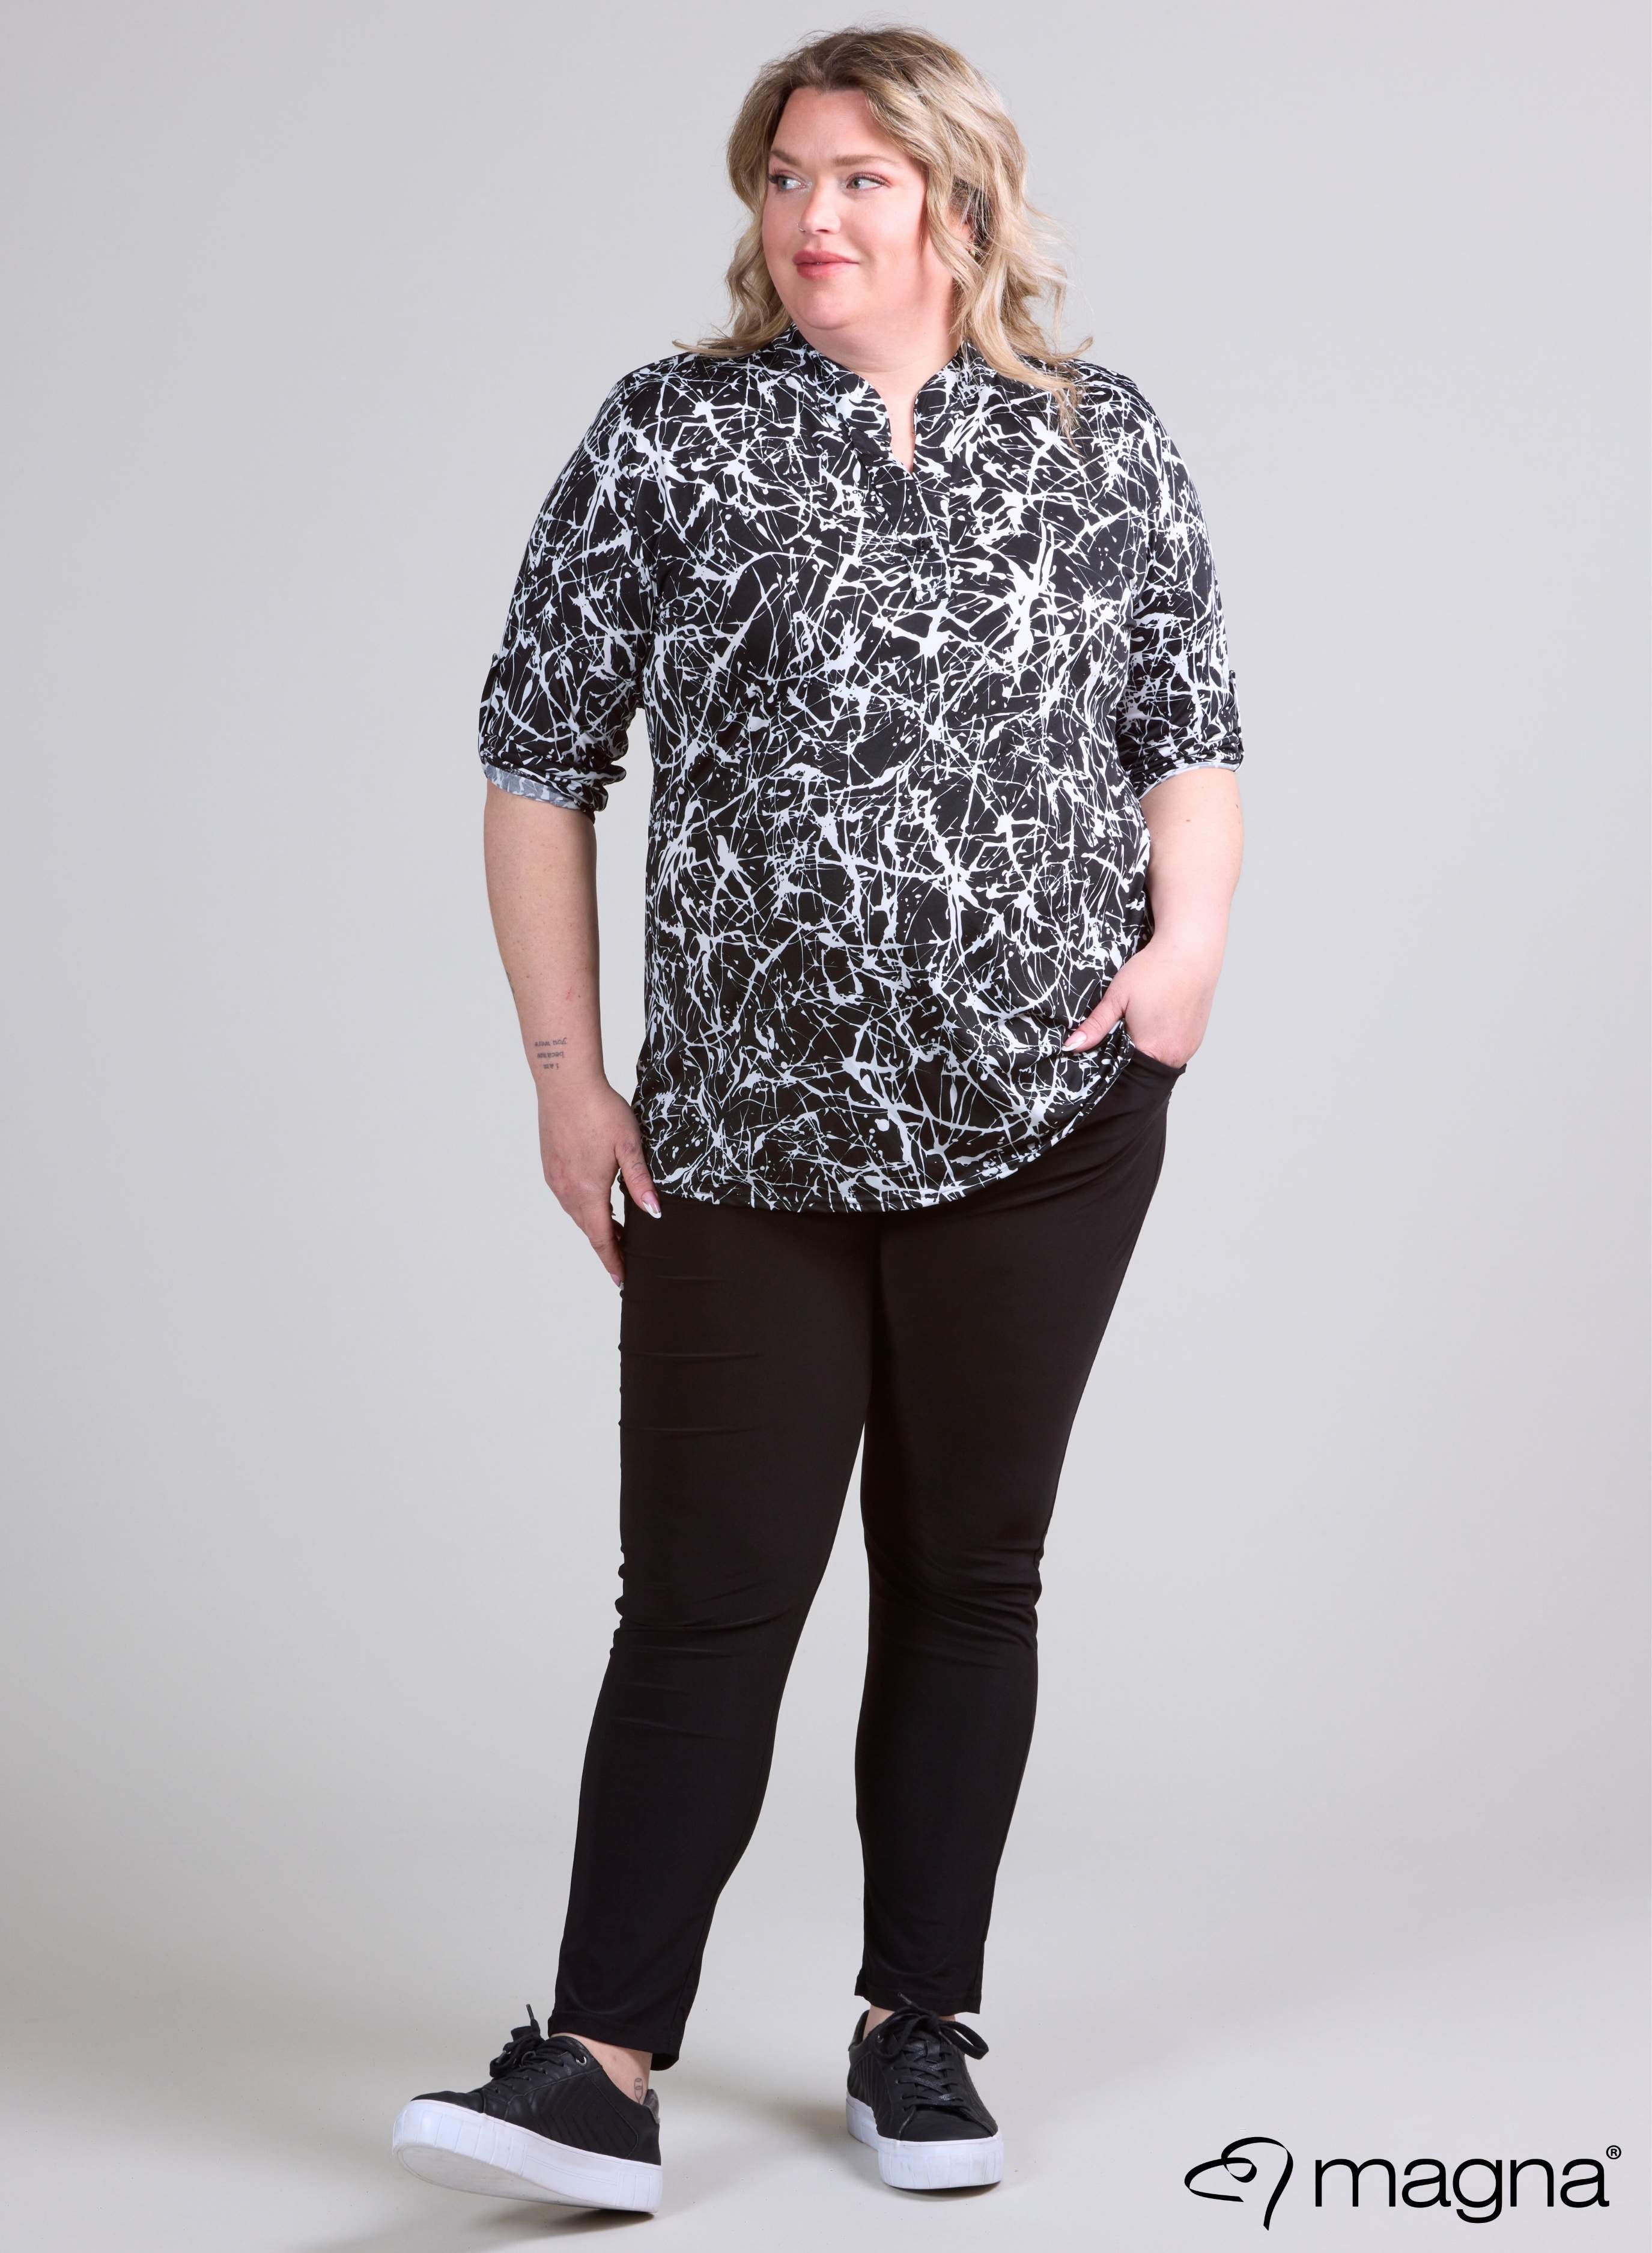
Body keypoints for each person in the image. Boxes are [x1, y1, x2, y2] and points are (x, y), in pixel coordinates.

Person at [392, 22, 1244, 2215]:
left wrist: (1186, 958)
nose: (812, 216)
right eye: (784, 178)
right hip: (743, 1141)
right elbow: (537, 760)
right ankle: (597, 2067)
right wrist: (568, 1079)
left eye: (860, 177)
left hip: (1046, 1119)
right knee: (706, 1595)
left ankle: (916, 2029)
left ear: (958, 200)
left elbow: (1189, 729)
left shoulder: (1099, 437)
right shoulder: (672, 434)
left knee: (967, 1575)